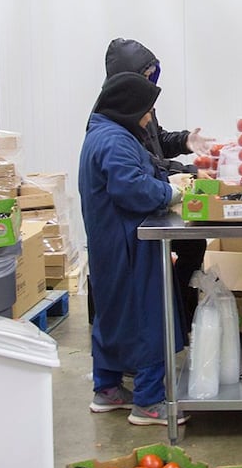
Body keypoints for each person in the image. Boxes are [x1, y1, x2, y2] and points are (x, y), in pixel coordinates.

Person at [79, 71, 190, 426]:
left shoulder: (104, 132)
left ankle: (107, 388)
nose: (148, 118)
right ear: (128, 107)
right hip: (131, 242)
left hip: (109, 243)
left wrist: (163, 178)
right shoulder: (116, 142)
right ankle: (148, 401)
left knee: (112, 314)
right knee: (148, 317)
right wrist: (172, 192)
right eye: (146, 111)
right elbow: (132, 190)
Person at [100, 38, 212, 329]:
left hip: (155, 195)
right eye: (145, 75)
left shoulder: (138, 104)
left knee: (193, 243)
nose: (150, 80)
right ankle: (173, 319)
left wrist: (186, 140)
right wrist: (183, 176)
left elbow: (157, 140)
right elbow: (143, 165)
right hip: (140, 210)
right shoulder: (118, 121)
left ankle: (182, 319)